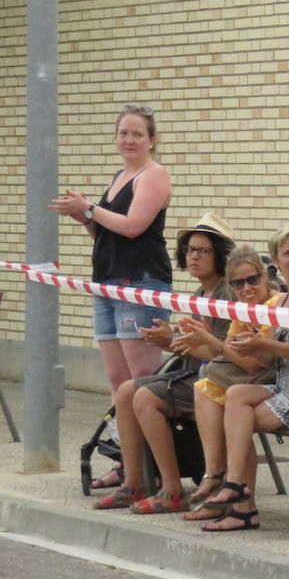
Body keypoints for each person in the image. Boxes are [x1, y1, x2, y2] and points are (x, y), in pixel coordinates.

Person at [198, 225, 289, 532]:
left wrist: (264, 343)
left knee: (237, 417)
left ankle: (241, 501)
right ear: (276, 260)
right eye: (287, 252)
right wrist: (248, 343)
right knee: (235, 396)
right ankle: (238, 490)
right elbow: (266, 360)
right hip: (283, 385)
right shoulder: (280, 302)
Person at [89, 213, 235, 511]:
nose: (192, 256)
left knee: (143, 397)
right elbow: (196, 347)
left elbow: (223, 355)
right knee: (128, 390)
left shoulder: (225, 295)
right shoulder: (200, 293)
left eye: (202, 251)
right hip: (194, 376)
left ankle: (171, 490)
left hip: (217, 381)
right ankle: (135, 481)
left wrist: (175, 342)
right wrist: (170, 340)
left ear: (220, 255)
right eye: (189, 250)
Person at [50, 102, 173, 409]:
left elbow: (133, 227)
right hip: (107, 280)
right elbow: (107, 234)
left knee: (141, 379)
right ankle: (123, 449)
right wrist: (85, 217)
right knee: (117, 378)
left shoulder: (153, 174)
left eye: (137, 134)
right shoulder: (119, 175)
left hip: (139, 282)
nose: (129, 140)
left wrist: (91, 208)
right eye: (123, 133)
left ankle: (148, 455)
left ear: (151, 140)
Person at [180, 245, 283, 520]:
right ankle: (216, 477)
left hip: (280, 384)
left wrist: (210, 341)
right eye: (238, 283)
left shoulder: (275, 305)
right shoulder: (243, 310)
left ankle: (234, 496)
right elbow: (227, 352)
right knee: (206, 390)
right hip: (253, 382)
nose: (247, 288)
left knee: (233, 403)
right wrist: (193, 340)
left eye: (253, 280)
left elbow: (253, 362)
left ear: (264, 277)